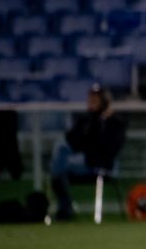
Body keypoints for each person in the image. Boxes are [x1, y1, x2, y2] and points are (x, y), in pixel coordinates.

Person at [50, 84, 126, 221]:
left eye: (95, 100)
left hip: (102, 165)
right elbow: (73, 140)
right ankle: (64, 203)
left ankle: (65, 207)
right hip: (83, 162)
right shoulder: (85, 121)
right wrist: (93, 124)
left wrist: (101, 121)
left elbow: (107, 148)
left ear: (104, 102)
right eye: (90, 99)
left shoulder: (114, 123)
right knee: (60, 148)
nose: (91, 103)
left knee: (59, 166)